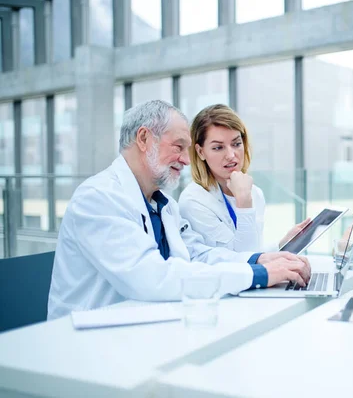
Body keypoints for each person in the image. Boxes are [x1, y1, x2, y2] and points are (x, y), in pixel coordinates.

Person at [47, 100, 310, 320]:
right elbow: (151, 277)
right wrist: (257, 274)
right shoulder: (98, 198)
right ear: (143, 138)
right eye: (178, 147)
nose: (186, 160)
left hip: (142, 326)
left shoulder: (164, 206)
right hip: (88, 341)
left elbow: (198, 255)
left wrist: (259, 260)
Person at [178, 104, 309, 253]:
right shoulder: (193, 201)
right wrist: (244, 203)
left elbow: (255, 251)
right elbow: (242, 260)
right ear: (200, 152)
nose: (231, 155)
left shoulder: (255, 193)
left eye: (236, 144)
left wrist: (282, 245)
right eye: (218, 147)